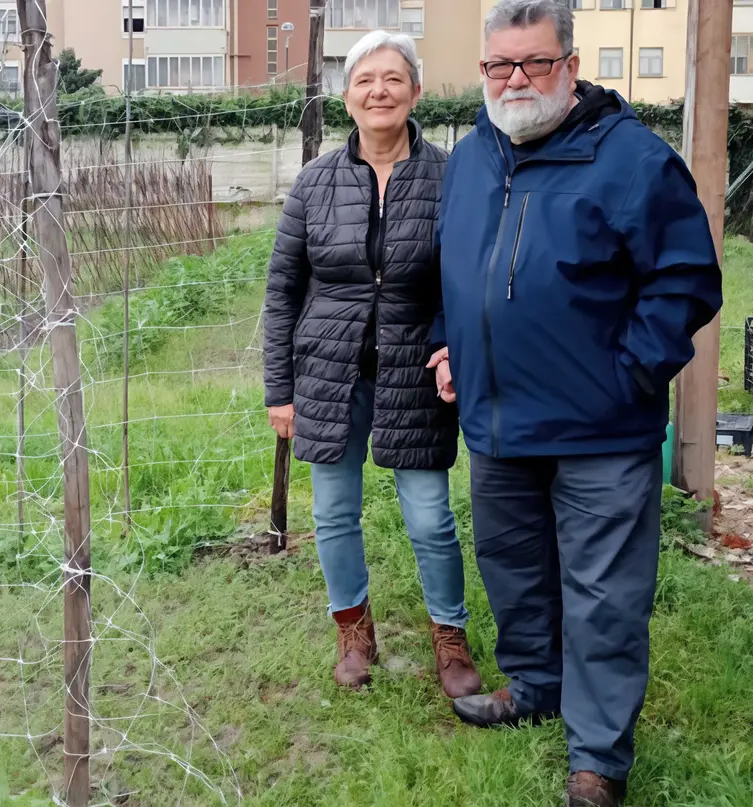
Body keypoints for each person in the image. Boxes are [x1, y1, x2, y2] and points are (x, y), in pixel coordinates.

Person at [428, 1, 723, 804]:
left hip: (600, 427)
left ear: (571, 65)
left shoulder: (630, 160)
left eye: (534, 63)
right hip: (496, 420)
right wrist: (443, 341)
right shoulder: (471, 158)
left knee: (602, 595)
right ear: (483, 70)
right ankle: (533, 686)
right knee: (514, 571)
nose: (515, 80)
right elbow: (452, 270)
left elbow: (687, 280)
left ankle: (597, 756)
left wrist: (631, 371)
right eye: (500, 66)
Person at [262, 31, 480, 699]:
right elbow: (282, 290)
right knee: (333, 513)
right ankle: (353, 631)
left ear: (414, 92)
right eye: (365, 80)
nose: (378, 90)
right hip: (327, 372)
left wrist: (457, 352)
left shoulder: (452, 176)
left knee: (429, 516)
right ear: (346, 96)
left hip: (413, 372)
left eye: (392, 78)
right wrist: (279, 389)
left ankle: (449, 633)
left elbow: (467, 279)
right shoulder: (314, 182)